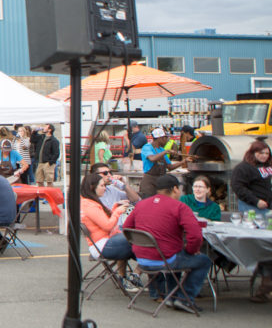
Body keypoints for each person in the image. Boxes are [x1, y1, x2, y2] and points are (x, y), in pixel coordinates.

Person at [123, 175, 212, 312]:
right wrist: (190, 251)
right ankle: (185, 298)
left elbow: (127, 227)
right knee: (204, 260)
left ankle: (172, 296)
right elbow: (195, 236)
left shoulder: (141, 204)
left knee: (175, 253)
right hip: (165, 259)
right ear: (175, 189)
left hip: (142, 259)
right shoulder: (179, 207)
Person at [79, 172, 138, 293]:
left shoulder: (89, 202)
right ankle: (140, 273)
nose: (104, 188)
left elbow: (104, 221)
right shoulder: (89, 205)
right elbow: (107, 226)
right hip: (103, 245)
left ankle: (138, 273)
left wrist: (116, 206)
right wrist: (118, 211)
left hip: (104, 242)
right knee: (137, 239)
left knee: (137, 241)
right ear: (92, 187)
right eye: (102, 186)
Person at [139, 127, 187, 198]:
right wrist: (166, 152)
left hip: (161, 182)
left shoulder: (161, 150)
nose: (167, 140)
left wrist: (184, 161)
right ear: (160, 138)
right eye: (165, 138)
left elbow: (170, 167)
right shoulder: (147, 147)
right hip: (149, 183)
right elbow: (152, 158)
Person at [230, 139, 271, 213]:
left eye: (267, 153)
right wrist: (256, 201)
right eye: (261, 153)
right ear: (253, 152)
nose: (264, 156)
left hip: (268, 207)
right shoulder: (243, 167)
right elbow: (237, 186)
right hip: (251, 207)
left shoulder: (268, 166)